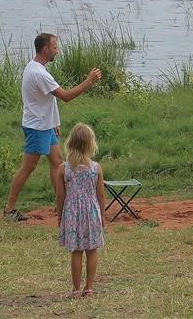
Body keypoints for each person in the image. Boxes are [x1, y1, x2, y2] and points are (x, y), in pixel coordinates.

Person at [4, 33, 102, 221]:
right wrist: (89, 81)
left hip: (45, 125)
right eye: (55, 47)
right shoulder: (39, 73)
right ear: (45, 49)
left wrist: (54, 122)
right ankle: (9, 210)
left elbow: (47, 100)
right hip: (37, 127)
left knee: (58, 163)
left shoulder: (34, 67)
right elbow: (65, 96)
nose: (57, 50)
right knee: (28, 167)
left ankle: (62, 206)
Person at [55, 123, 106, 298]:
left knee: (76, 251)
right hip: (92, 212)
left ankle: (76, 289)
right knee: (92, 250)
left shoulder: (63, 168)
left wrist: (60, 216)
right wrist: (103, 216)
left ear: (70, 143)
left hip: (72, 213)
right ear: (91, 144)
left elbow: (60, 196)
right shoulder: (96, 168)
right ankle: (89, 288)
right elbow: (101, 195)